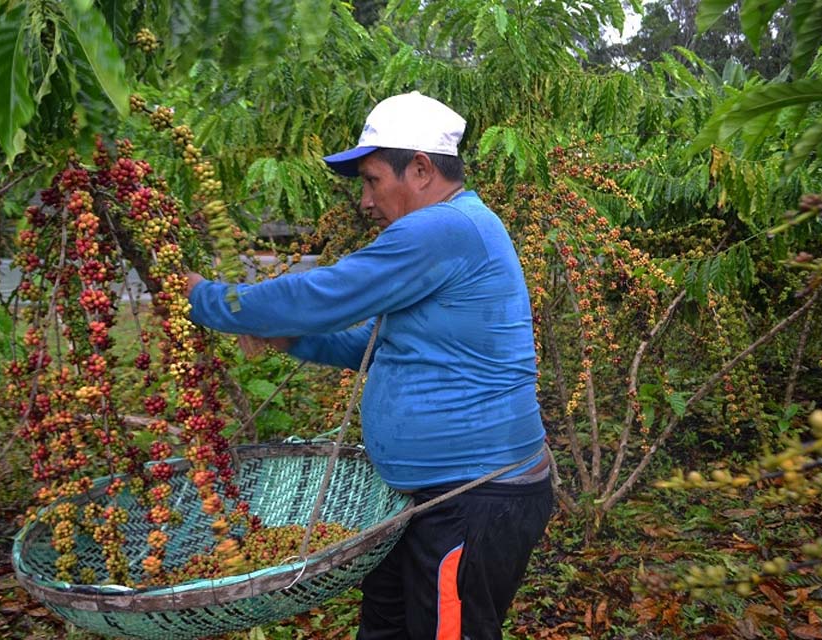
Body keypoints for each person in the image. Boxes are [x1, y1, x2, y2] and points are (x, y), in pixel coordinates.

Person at [185, 91, 552, 639]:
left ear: (422, 169)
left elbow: (324, 294)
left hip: (472, 499)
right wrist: (290, 340)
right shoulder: (450, 232)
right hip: (421, 499)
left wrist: (209, 301)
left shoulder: (443, 229)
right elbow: (378, 343)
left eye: (372, 179)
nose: (364, 200)